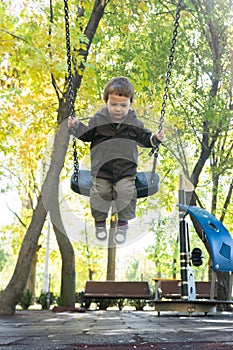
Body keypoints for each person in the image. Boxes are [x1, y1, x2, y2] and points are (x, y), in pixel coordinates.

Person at [68, 76, 164, 244]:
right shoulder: (98, 120)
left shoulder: (134, 123)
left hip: (125, 171)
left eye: (123, 105)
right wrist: (76, 127)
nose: (118, 109)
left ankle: (122, 223)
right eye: (113, 104)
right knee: (99, 194)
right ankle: (99, 222)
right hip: (101, 171)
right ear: (106, 101)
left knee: (126, 193)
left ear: (130, 104)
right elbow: (86, 134)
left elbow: (144, 137)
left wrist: (154, 138)